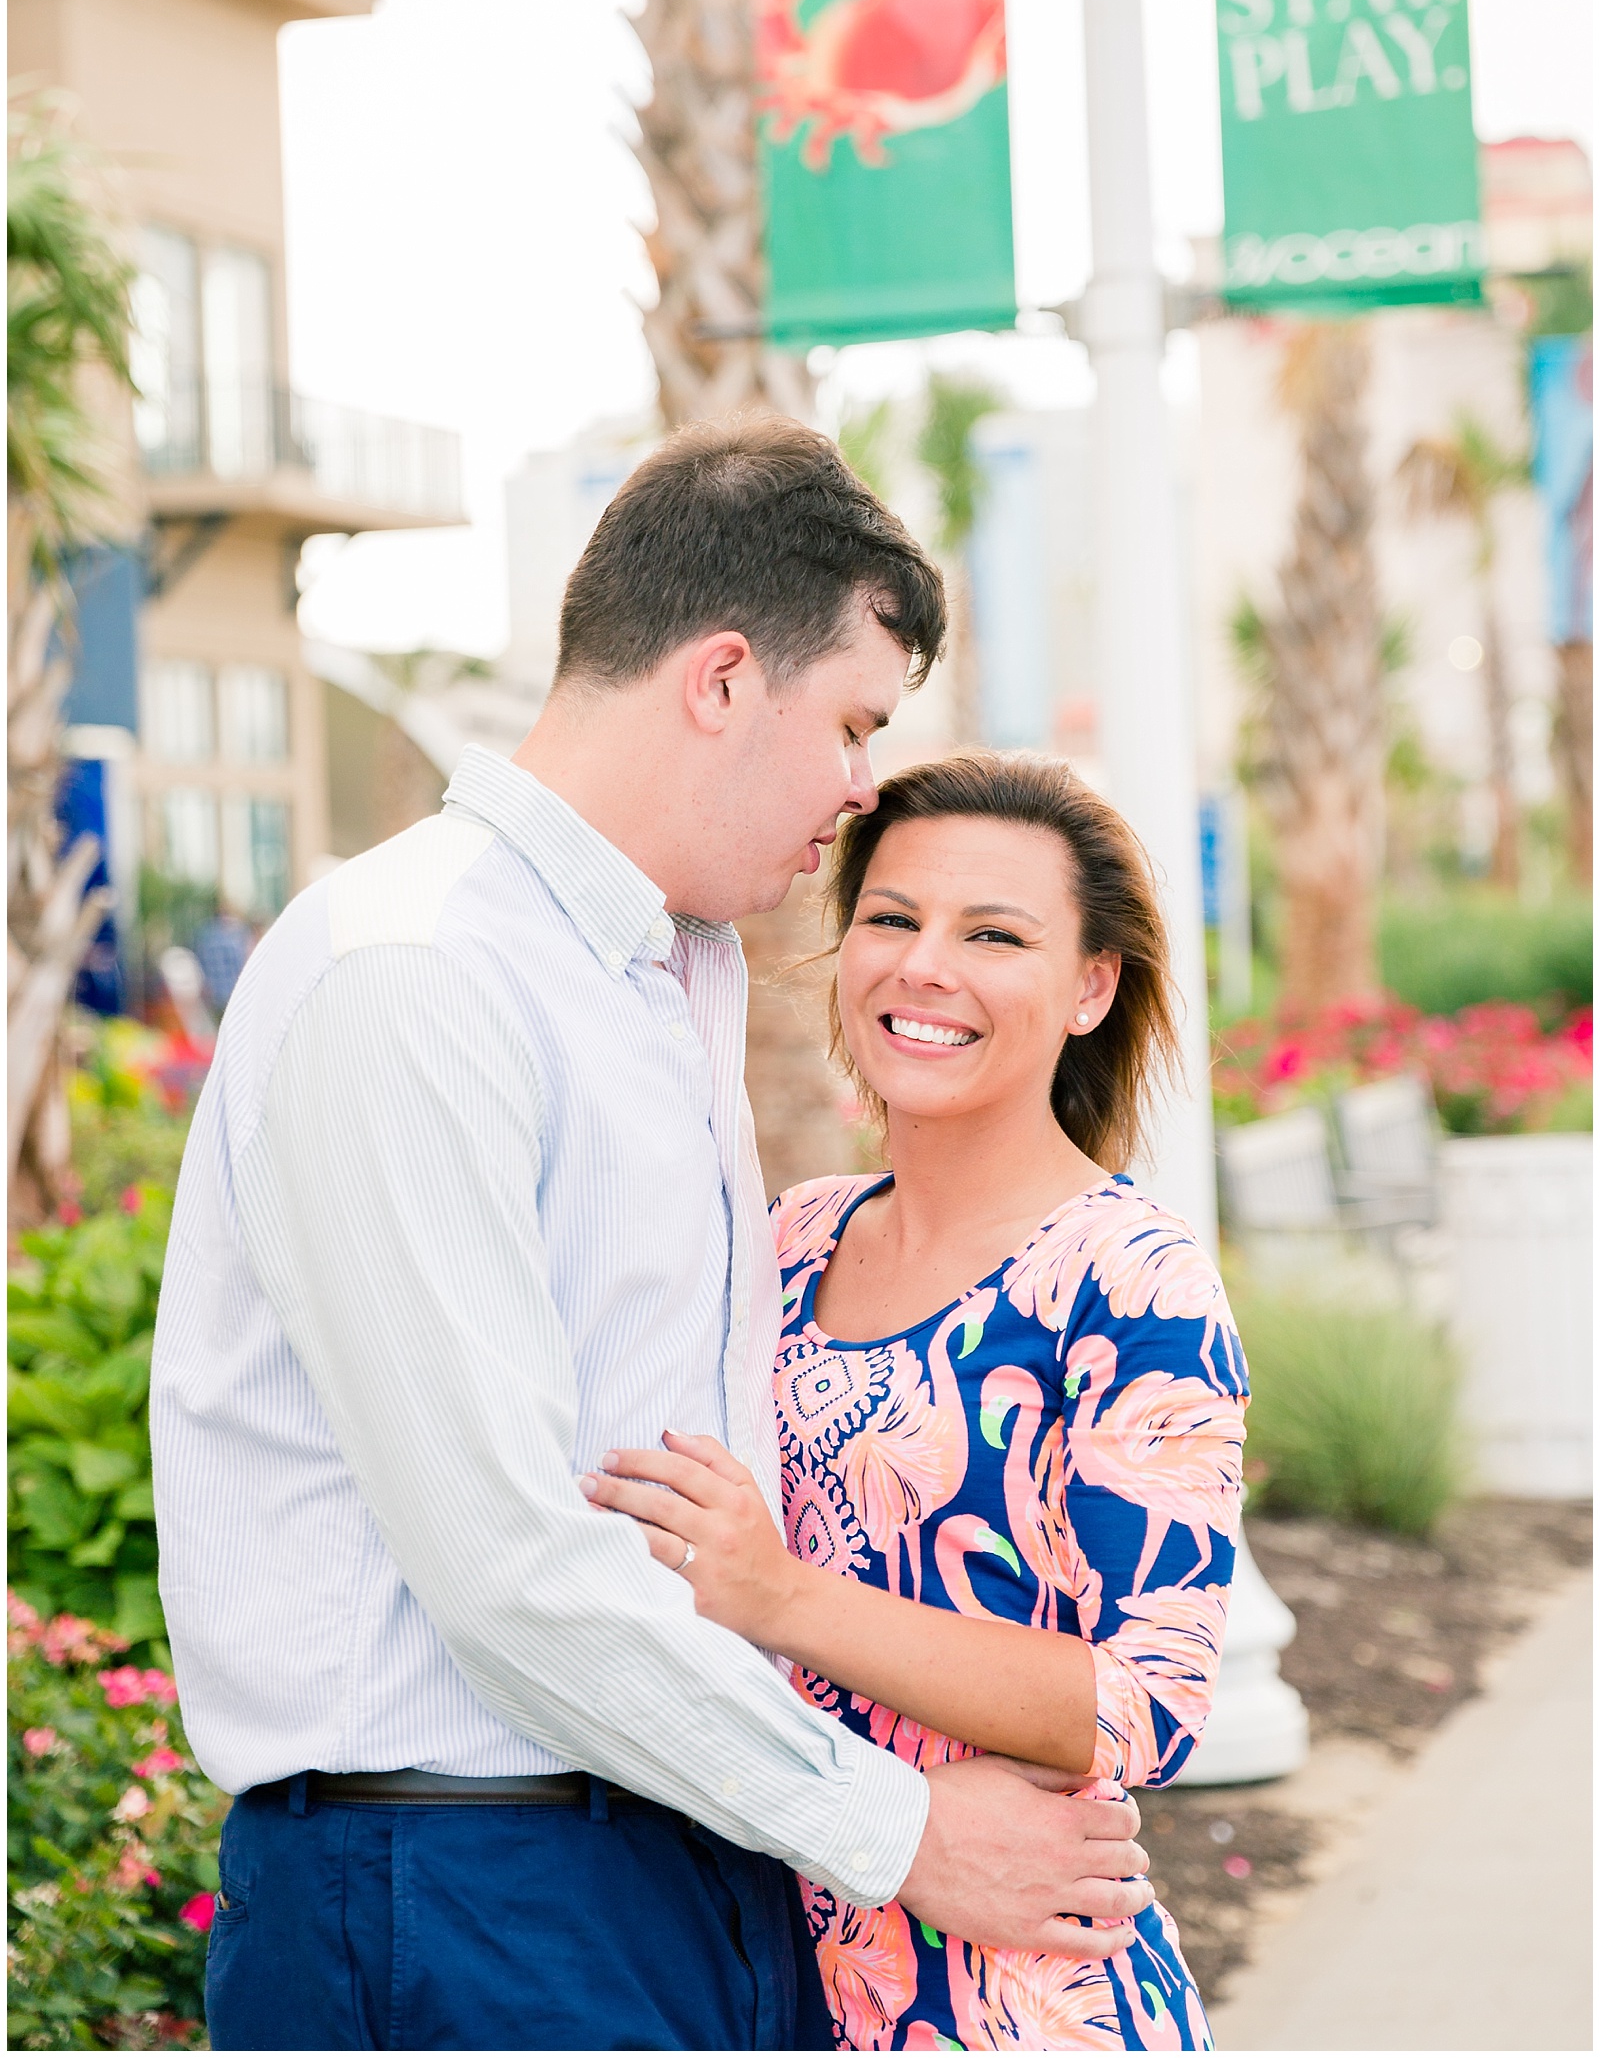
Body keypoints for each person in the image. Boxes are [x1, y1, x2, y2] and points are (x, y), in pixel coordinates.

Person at [150, 420, 1156, 2055]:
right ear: (719, 678)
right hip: (454, 1887)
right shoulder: (412, 974)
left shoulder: (675, 972)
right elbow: (509, 1565)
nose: (859, 785)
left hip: (689, 1852)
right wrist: (902, 1829)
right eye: (848, 722)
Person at [584, 750, 1250, 2051]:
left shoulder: (1131, 1278)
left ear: (1090, 986)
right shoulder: (790, 1238)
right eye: (892, 918)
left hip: (1021, 2005)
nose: (924, 965)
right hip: (766, 1978)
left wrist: (779, 1593)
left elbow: (1146, 1703)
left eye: (993, 933)